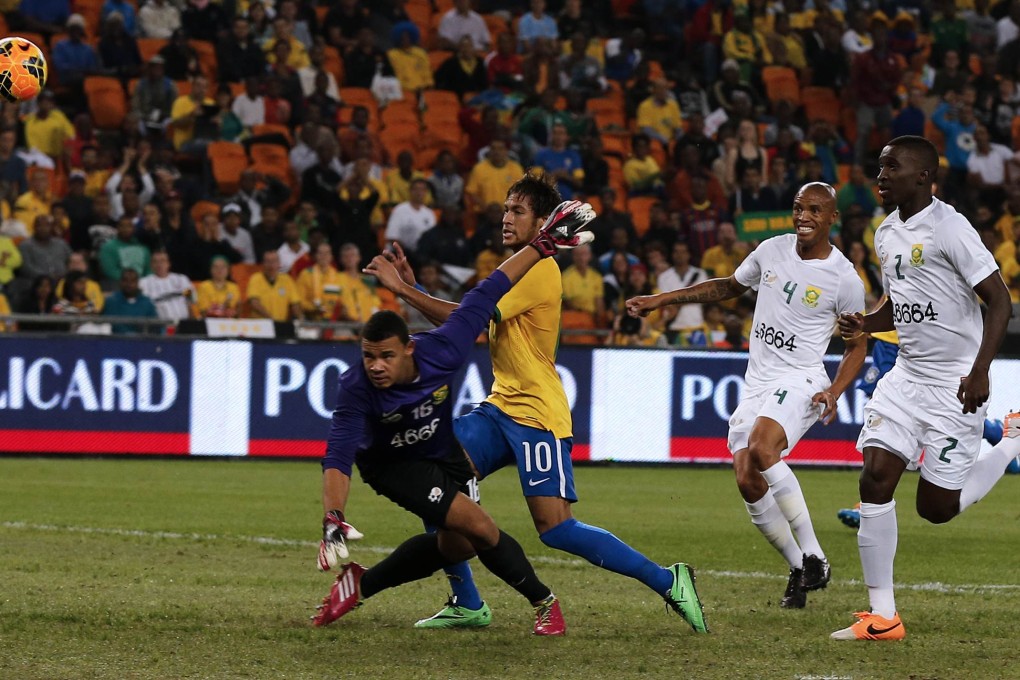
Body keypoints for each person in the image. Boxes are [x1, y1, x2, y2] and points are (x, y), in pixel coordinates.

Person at [372, 175, 708, 633]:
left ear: (545, 222)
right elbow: (467, 315)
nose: (506, 218)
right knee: (433, 478)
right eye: (505, 209)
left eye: (518, 211)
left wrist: (403, 291)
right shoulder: (516, 265)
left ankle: (669, 581)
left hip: (536, 415)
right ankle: (468, 602)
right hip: (499, 407)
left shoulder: (539, 269)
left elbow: (466, 321)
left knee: (555, 529)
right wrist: (415, 290)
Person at [310, 198, 594, 633]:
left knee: (455, 543)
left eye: (386, 356)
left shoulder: (443, 349)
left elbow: (491, 288)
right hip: (396, 466)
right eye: (369, 357)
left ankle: (362, 584)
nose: (377, 367)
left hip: (441, 450)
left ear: (409, 348)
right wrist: (333, 516)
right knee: (479, 527)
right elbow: (337, 455)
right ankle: (544, 603)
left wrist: (542, 246)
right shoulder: (356, 388)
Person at [627, 182, 868, 609]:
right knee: (746, 475)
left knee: (761, 446)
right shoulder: (771, 250)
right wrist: (662, 300)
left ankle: (815, 555)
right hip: (758, 381)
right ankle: (798, 566)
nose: (804, 216)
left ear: (833, 218)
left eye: (814, 209)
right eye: (798, 208)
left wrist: (834, 389)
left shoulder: (844, 278)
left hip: (802, 379)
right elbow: (727, 287)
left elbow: (857, 346)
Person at [831, 136, 1018, 641]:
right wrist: (868, 323)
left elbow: (999, 302)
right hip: (906, 377)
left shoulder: (950, 227)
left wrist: (980, 371)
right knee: (874, 478)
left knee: (935, 510)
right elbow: (903, 298)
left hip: (955, 384)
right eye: (880, 164)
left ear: (923, 177)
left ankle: (1011, 444)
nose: (882, 172)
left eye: (893, 165)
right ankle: (882, 617)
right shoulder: (887, 231)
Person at [245, 250, 302, 322]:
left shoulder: (286, 280)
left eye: (274, 261)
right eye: (267, 261)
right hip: (260, 324)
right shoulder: (256, 278)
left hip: (280, 324)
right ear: (263, 264)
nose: (271, 265)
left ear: (279, 264)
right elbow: (254, 302)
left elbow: (295, 303)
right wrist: (271, 319)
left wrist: (301, 319)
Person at [139, 250, 195, 321]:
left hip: (183, 324)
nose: (159, 264)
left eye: (162, 261)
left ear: (168, 263)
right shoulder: (143, 283)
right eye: (155, 261)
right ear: (151, 265)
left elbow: (190, 303)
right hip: (159, 326)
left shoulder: (182, 280)